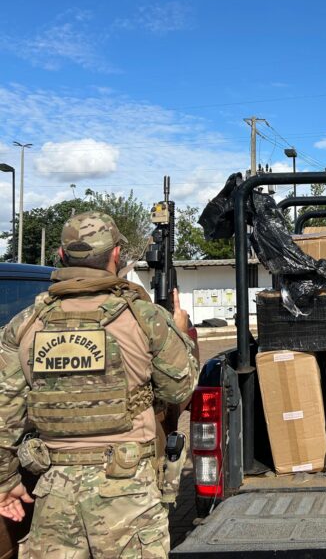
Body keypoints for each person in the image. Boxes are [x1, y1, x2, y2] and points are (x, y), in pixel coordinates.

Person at [0, 212, 199, 557]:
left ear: (62, 257)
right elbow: (178, 390)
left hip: (54, 491)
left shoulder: (25, 324)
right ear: (117, 255)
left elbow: (5, 414)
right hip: (128, 493)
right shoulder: (143, 317)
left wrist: (6, 481)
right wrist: (180, 333)